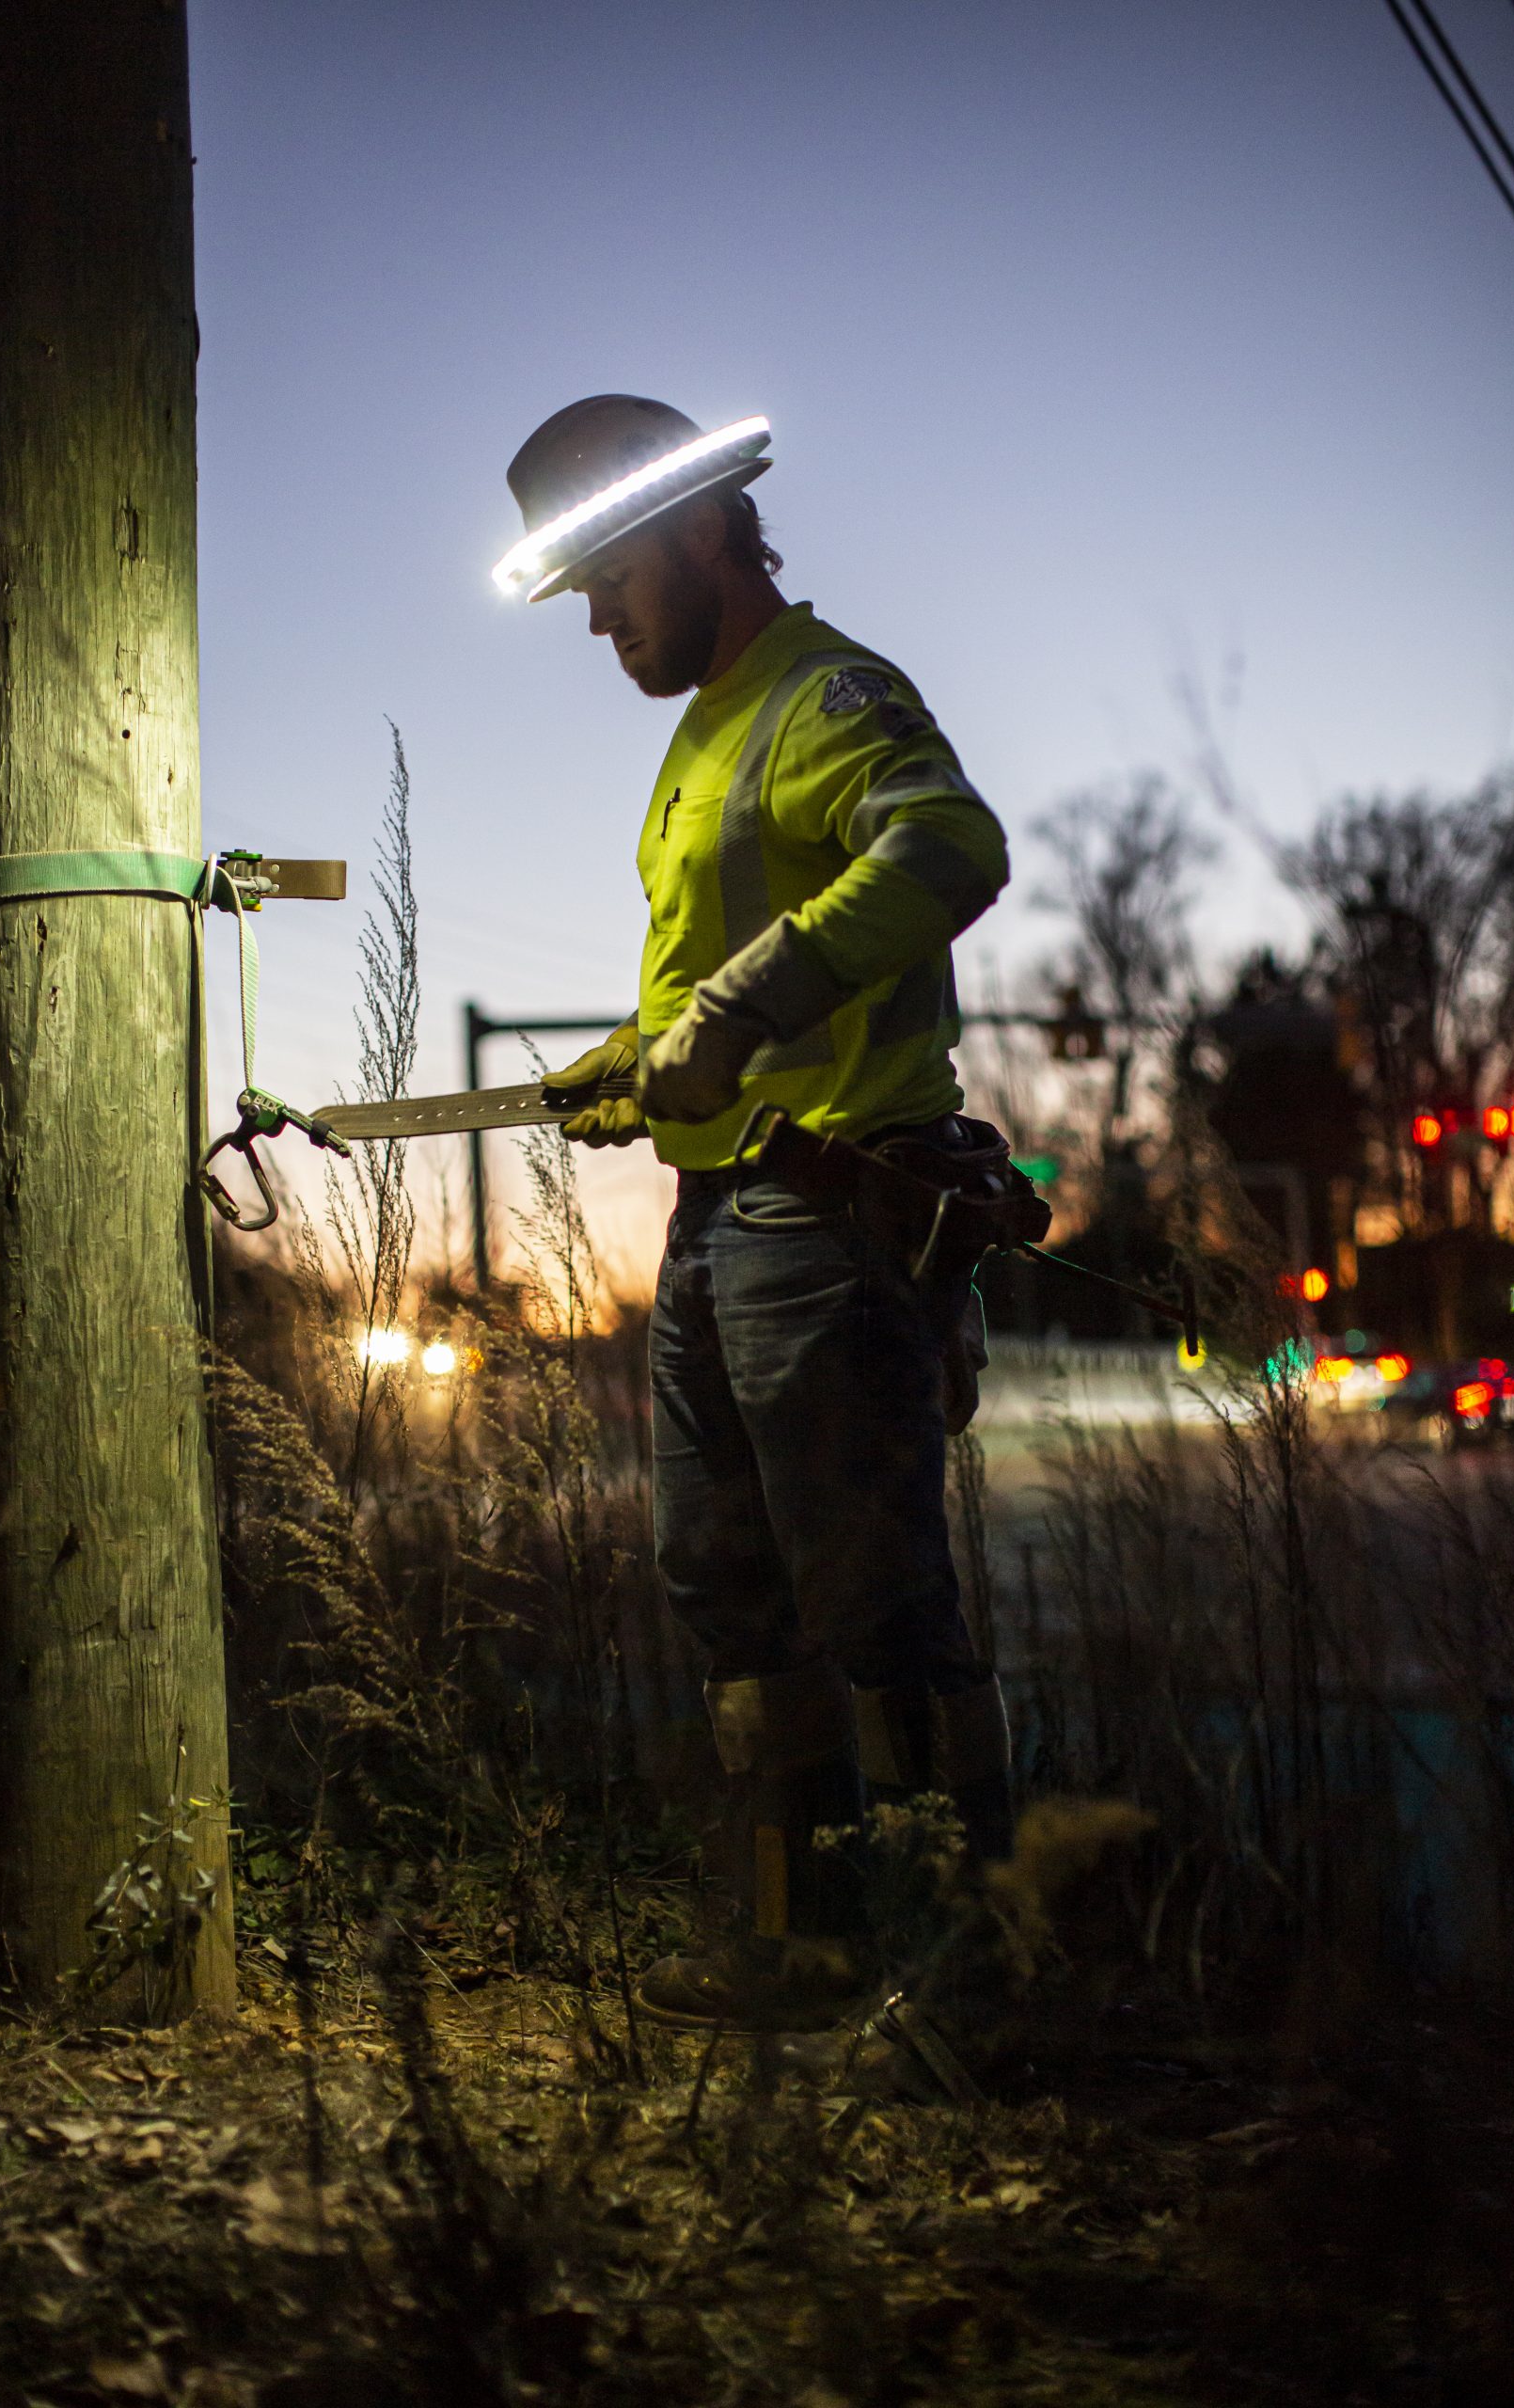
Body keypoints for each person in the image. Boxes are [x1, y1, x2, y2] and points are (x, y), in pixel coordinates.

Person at [493, 396, 1014, 2034]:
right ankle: (802, 1946)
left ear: (704, 527)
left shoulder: (830, 689)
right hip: (717, 1225)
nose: (595, 618)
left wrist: (742, 1003)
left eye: (610, 576)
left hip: (840, 1219)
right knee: (728, 1592)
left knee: (880, 1611)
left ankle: (961, 1994)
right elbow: (704, 993)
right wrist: (637, 1058)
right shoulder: (701, 734)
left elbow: (950, 845)